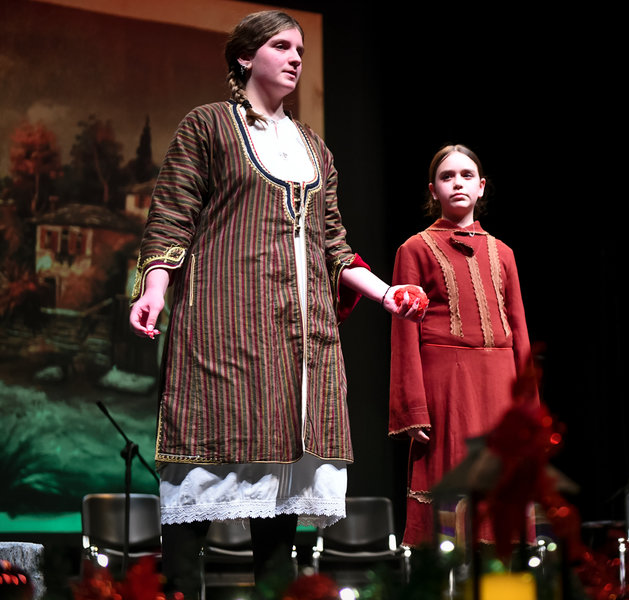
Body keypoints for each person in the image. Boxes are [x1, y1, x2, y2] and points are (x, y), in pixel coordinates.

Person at [128, 11, 424, 599]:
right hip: (223, 324)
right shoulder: (208, 126)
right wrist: (155, 287)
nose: (295, 58)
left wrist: (386, 292)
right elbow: (172, 214)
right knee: (202, 470)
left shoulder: (314, 148)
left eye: (301, 50)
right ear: (245, 57)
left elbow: (334, 244)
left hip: (298, 340)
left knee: (281, 497)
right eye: (281, 46)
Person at [389, 144, 540, 548]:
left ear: (482, 186)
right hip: (447, 386)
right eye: (447, 176)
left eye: (466, 175)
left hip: (500, 384)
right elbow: (404, 333)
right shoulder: (414, 249)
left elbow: (520, 331)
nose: (457, 183)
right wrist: (412, 407)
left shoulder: (503, 252)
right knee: (452, 488)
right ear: (433, 190)